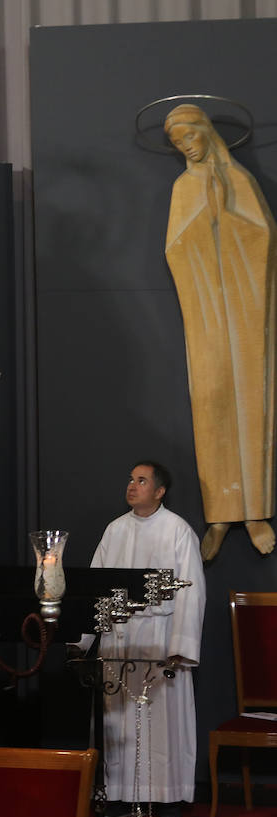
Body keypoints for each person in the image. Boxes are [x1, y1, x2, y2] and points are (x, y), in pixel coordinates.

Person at [162, 104, 277, 559]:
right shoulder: (183, 187)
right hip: (206, 305)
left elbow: (264, 235)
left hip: (244, 306)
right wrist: (202, 218)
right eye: (177, 142)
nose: (187, 146)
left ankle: (256, 512)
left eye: (191, 136)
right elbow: (175, 249)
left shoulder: (239, 180)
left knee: (253, 400)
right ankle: (220, 514)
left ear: (207, 133)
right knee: (210, 399)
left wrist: (225, 213)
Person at [91, 460, 206, 817]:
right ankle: (120, 795)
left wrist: (180, 645)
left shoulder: (178, 531)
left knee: (162, 719)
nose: (132, 485)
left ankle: (168, 798)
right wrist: (82, 638)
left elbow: (192, 591)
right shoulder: (115, 531)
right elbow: (94, 586)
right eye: (130, 479)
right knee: (119, 720)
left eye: (141, 481)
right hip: (120, 636)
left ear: (159, 491)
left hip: (159, 639)